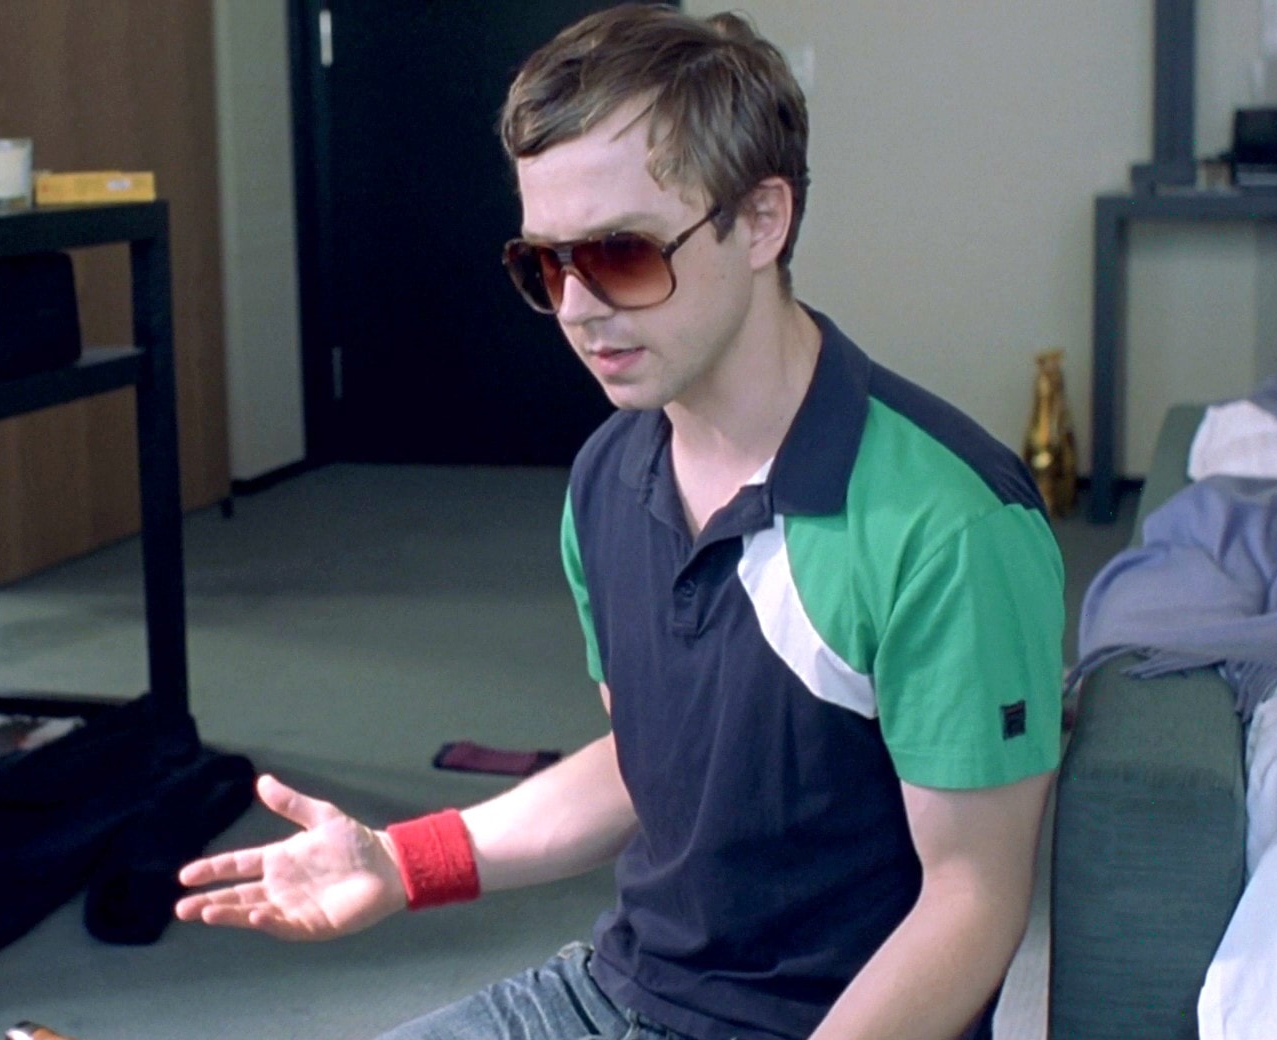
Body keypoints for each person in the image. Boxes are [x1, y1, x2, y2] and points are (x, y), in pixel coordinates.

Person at [175, 6, 1064, 1039]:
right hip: (618, 990)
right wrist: (400, 861)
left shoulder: (952, 525)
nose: (578, 308)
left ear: (762, 221)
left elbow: (972, 902)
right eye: (545, 265)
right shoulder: (609, 470)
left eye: (623, 254)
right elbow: (652, 761)